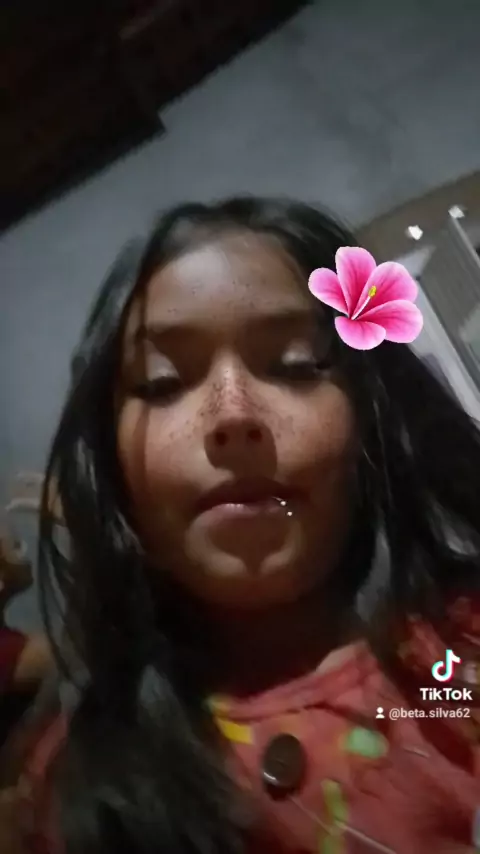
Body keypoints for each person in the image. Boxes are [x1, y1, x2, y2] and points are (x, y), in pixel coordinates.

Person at [5, 196, 480, 854]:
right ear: (110, 464)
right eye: (162, 383)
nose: (232, 415)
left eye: (295, 364)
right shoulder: (67, 786)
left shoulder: (458, 657)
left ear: (371, 414)